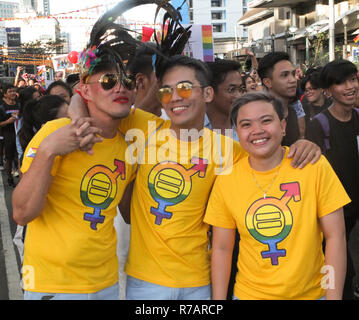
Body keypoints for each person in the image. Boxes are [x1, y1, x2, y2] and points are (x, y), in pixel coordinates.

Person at [204, 91, 349, 300]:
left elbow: (336, 237)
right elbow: (221, 249)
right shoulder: (227, 179)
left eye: (266, 120)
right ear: (237, 131)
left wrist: (333, 296)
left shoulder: (313, 167)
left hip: (312, 294)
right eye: (246, 125)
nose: (257, 130)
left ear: (282, 126)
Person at [124, 54, 244, 300]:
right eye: (166, 91)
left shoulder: (228, 150)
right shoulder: (143, 130)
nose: (175, 98)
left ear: (208, 94)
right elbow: (89, 105)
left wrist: (303, 146)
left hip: (198, 281)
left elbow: (272, 163)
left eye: (185, 88)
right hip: (146, 282)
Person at [307, 59, 359, 300]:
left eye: (353, 79)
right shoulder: (318, 124)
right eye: (341, 82)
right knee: (340, 262)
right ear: (328, 91)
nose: (350, 86)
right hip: (337, 208)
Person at [258, 52, 307, 144]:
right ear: (267, 82)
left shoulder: (293, 111)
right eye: (284, 75)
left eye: (293, 74)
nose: (293, 80)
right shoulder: (258, 116)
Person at [206, 59, 245, 140]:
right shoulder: (190, 127)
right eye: (231, 90)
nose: (239, 96)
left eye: (241, 89)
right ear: (209, 93)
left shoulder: (246, 126)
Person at [300, 68, 332, 134]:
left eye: (311, 89)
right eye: (306, 90)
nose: (308, 92)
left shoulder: (333, 105)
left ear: (321, 89)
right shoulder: (303, 110)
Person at [0, 84, 20, 187]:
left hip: (20, 133)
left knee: (20, 156)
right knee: (9, 157)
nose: (13, 93)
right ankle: (9, 177)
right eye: (10, 91)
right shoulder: (2, 106)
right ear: (4, 94)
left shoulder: (19, 104)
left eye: (13, 91)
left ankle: (22, 177)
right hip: (8, 134)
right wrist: (7, 121)